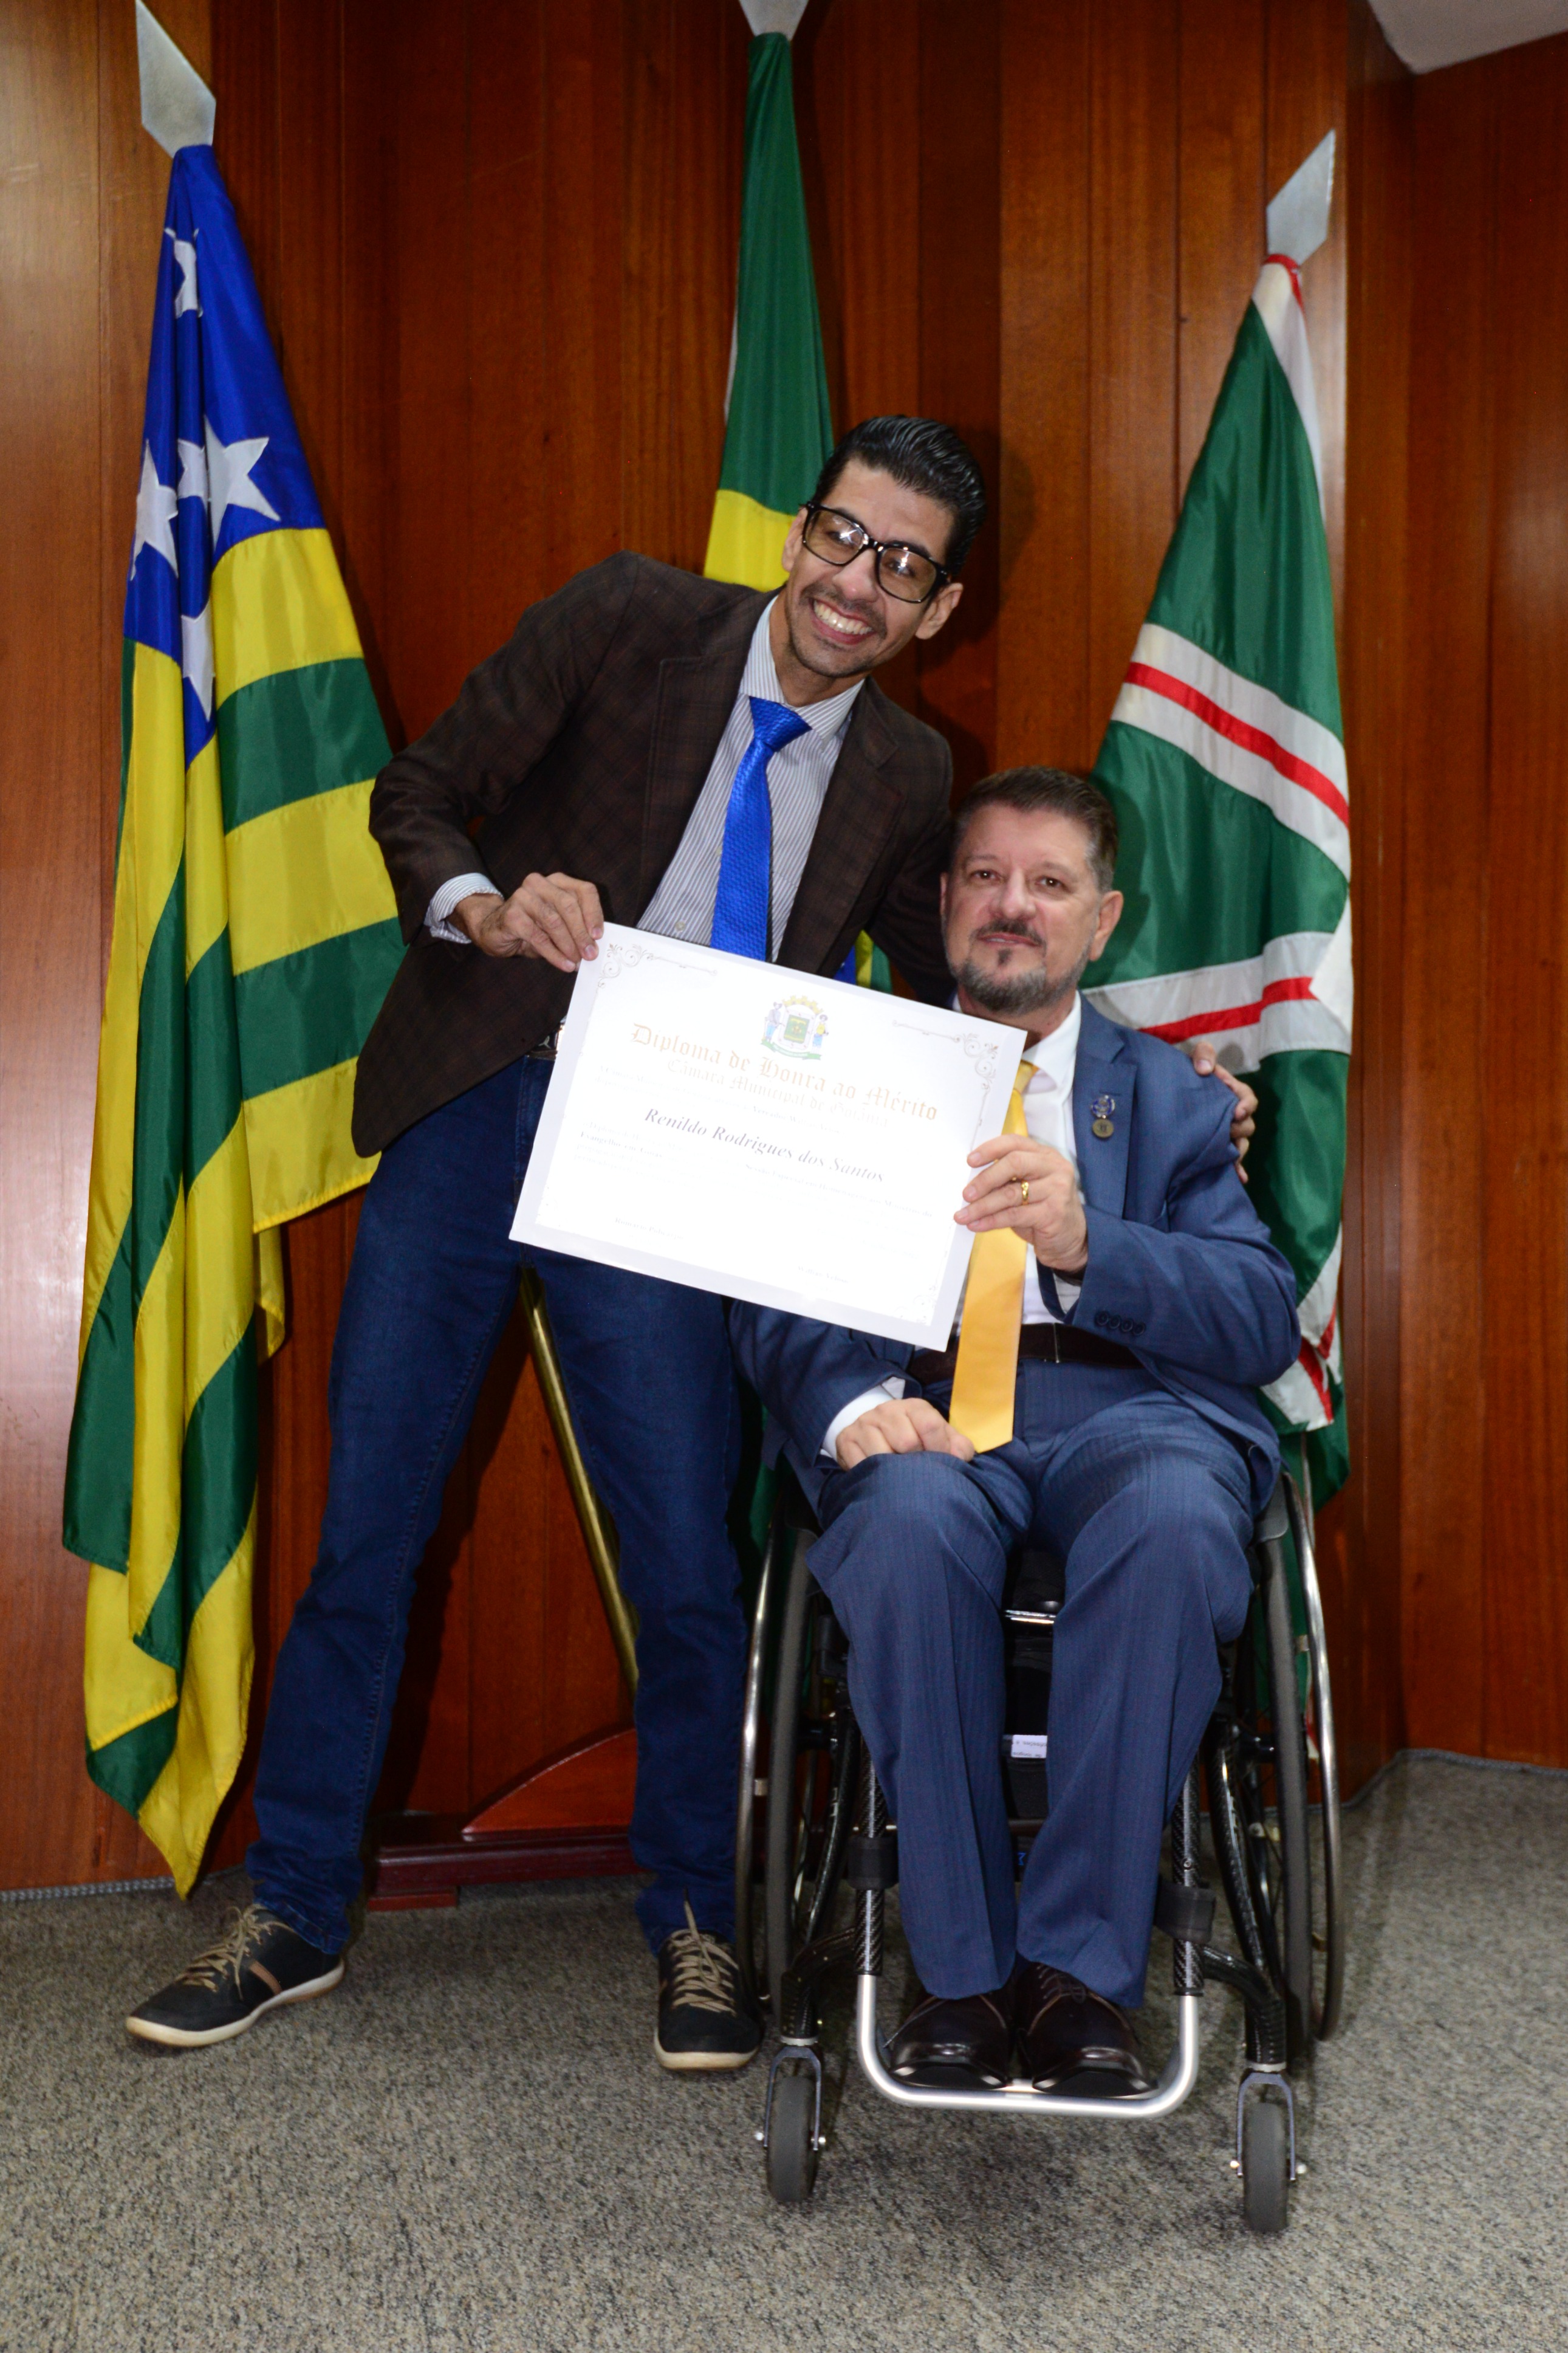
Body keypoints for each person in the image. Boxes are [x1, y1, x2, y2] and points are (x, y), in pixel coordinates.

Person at [125, 416, 984, 2066]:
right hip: (480, 1102)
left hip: (670, 1177)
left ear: (935, 608)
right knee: (370, 1531)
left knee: (684, 1561)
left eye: (900, 565)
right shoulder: (628, 615)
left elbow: (943, 997)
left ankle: (694, 1920)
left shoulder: (909, 773)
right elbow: (421, 794)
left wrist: (1113, 1081)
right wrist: (486, 905)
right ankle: (293, 1909)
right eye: (839, 534)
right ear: (796, 531)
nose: (853, 581)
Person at [729, 766, 1298, 2095]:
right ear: (943, 900)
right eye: (985, 876)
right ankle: (963, 1973)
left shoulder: (1175, 1098)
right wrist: (851, 1404)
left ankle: (1077, 1976)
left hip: (1133, 1412)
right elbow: (773, 1282)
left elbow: (1259, 1313)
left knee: (1173, 1522)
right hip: (926, 1413)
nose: (1012, 906)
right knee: (907, 1526)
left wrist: (1093, 1243)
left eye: (1049, 883)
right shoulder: (854, 1072)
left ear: (1102, 919)